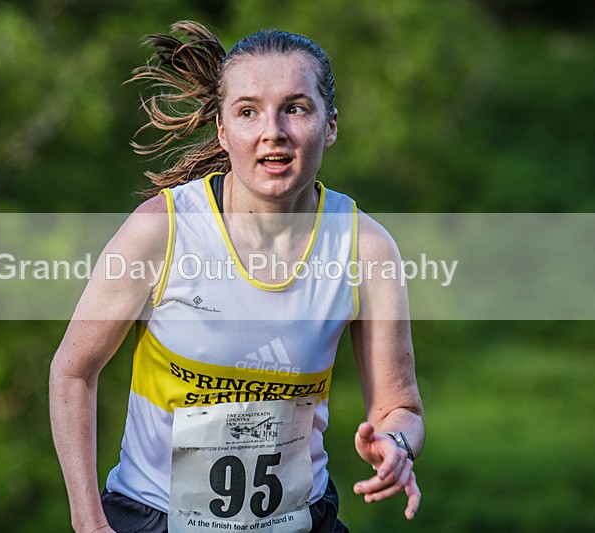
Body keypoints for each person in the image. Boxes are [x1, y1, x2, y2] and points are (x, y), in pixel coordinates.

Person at [49, 21, 424, 533]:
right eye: (249, 112)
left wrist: (396, 444)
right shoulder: (161, 231)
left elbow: (399, 407)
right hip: (155, 519)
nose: (273, 130)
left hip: (300, 521)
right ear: (224, 131)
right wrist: (89, 522)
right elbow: (73, 372)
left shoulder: (366, 247)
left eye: (296, 108)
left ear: (330, 125)